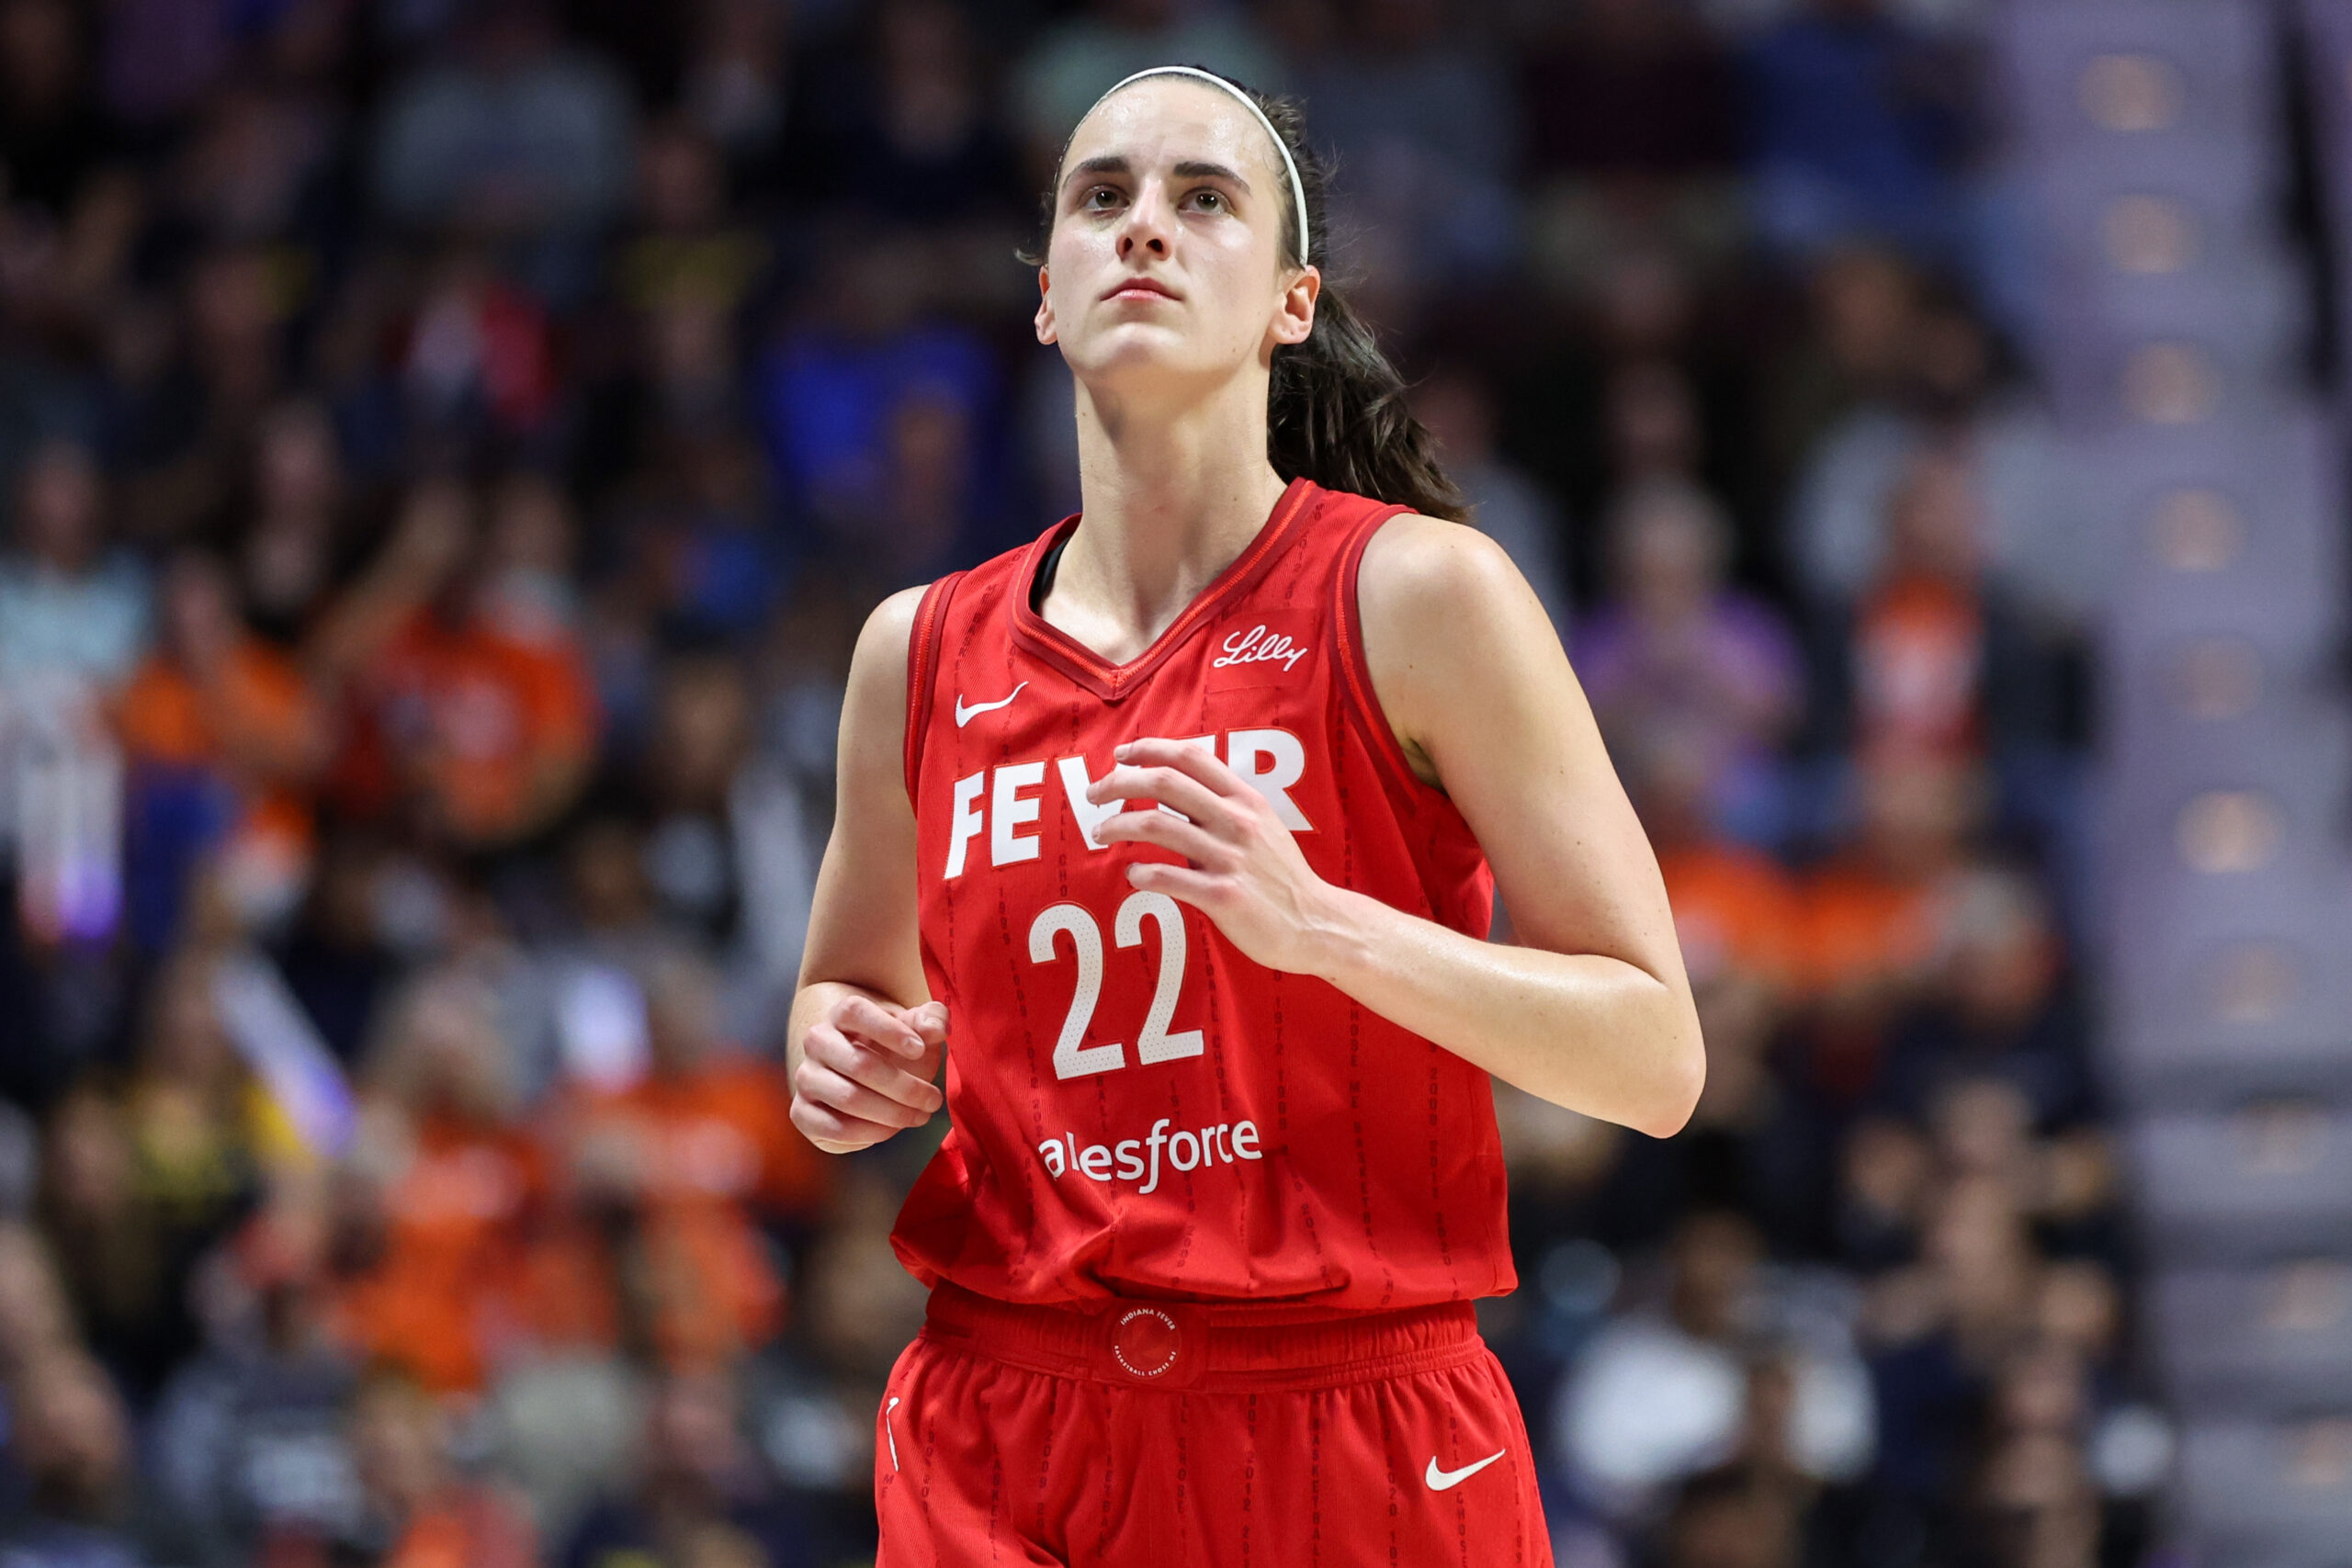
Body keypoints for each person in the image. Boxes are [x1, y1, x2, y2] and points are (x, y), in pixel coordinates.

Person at [785, 66, 1704, 1565]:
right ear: (1044, 297)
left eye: (1202, 199)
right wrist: (837, 1056)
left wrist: (1324, 925)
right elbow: (843, 990)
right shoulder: (918, 649)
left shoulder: (1420, 595)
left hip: (1354, 1423)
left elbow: (1654, 1056)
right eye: (1103, 197)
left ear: (1293, 301)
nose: (1145, 227)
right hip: (1004, 1424)